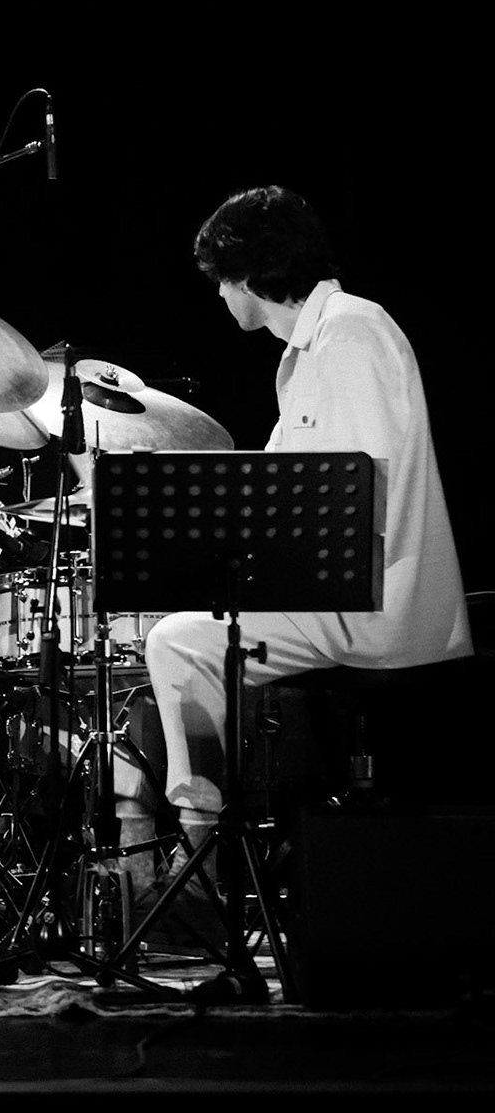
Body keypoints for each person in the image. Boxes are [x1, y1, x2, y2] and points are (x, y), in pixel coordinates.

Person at [113, 186, 472, 894]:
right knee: (173, 632)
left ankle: (201, 859)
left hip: (372, 602)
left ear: (248, 275)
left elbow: (351, 499)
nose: (219, 297)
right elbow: (285, 490)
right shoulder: (316, 345)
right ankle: (192, 841)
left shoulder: (350, 333)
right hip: (340, 590)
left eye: (221, 281)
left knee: (175, 642)